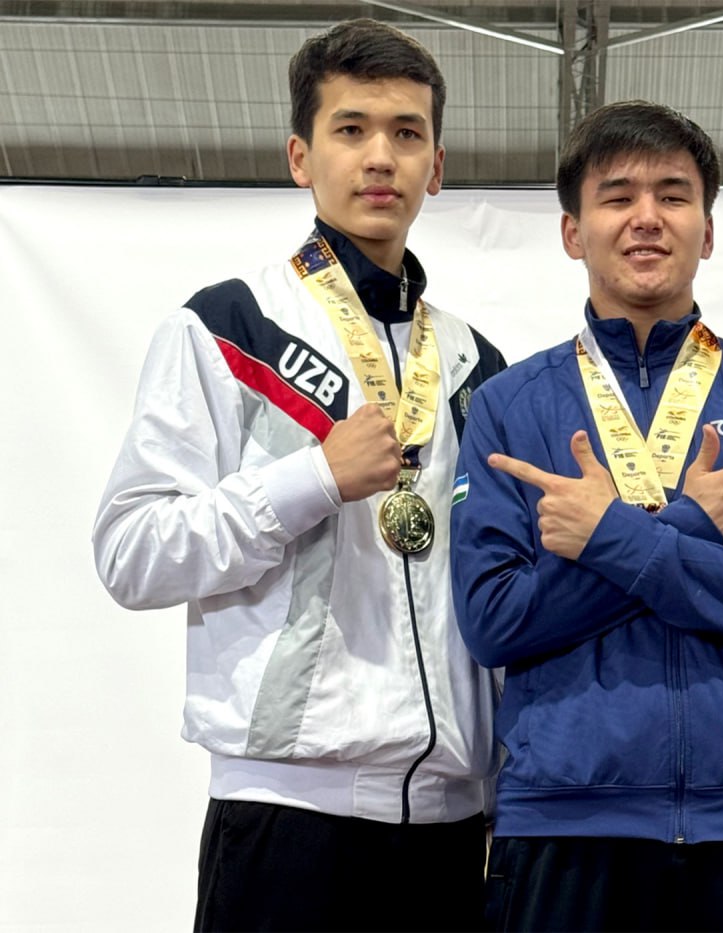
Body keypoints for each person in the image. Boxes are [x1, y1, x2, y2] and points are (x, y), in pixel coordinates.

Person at [92, 19, 505, 931]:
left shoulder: (478, 362)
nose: (380, 157)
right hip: (285, 820)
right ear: (299, 157)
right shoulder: (227, 327)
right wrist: (311, 478)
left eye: (406, 133)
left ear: (437, 166)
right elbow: (130, 552)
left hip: (453, 830)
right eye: (350, 129)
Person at [449, 100, 723, 931]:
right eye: (617, 195)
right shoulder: (507, 406)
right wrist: (696, 527)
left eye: (673, 194)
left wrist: (608, 539)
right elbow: (493, 622)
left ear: (708, 230)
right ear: (573, 231)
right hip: (563, 822)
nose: (646, 217)